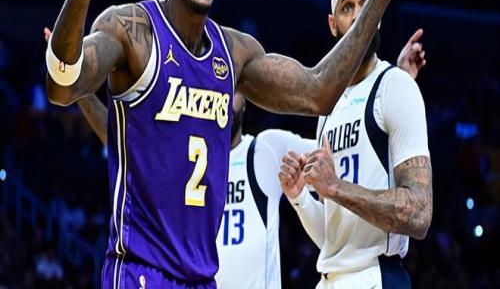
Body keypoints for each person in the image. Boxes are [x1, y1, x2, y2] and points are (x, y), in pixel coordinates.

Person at [45, 0, 422, 288]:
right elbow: (62, 86)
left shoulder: (236, 53)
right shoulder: (131, 29)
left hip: (203, 279)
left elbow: (318, 93)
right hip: (141, 270)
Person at [44, 23, 426, 289]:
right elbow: (123, 142)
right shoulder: (182, 150)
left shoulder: (267, 148)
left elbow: (347, 145)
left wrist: (390, 85)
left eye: (235, 85)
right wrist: (80, 92)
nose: (227, 93)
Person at [279, 0, 432, 288]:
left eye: (366, 4)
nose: (358, 14)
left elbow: (419, 214)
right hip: (332, 278)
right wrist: (299, 197)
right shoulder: (327, 107)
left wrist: (335, 187)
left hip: (375, 274)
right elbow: (333, 240)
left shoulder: (395, 85)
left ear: (377, 16)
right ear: (332, 24)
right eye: (347, 7)